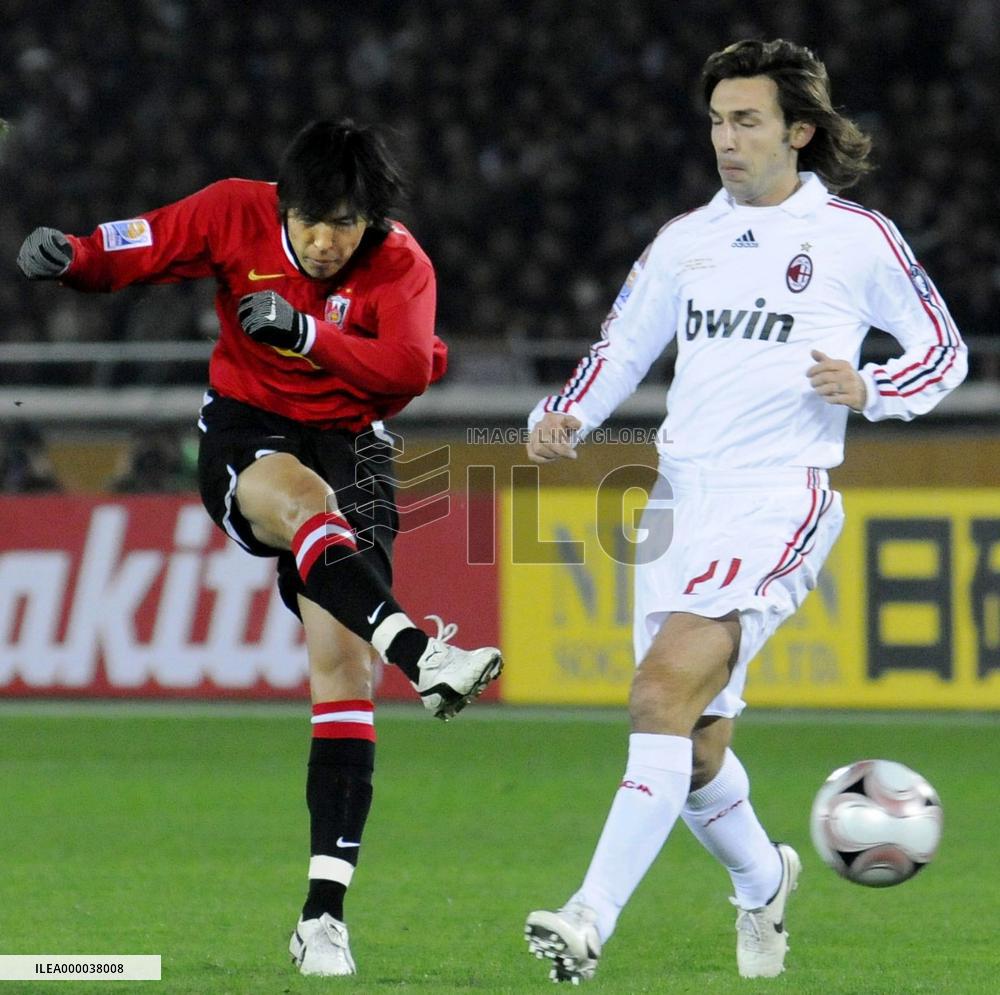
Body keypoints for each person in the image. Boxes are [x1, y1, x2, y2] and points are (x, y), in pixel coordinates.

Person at [523, 38, 966, 984]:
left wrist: (873, 388)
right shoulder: (686, 239)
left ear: (798, 131)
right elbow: (621, 345)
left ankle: (588, 915)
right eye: (718, 121)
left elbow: (943, 351)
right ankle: (765, 881)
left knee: (658, 691)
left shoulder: (856, 237)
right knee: (694, 746)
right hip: (677, 501)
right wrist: (564, 413)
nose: (726, 139)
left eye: (747, 120)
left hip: (777, 495)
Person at [16, 118, 503, 978]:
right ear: (284, 204)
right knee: (307, 505)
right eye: (311, 220)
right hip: (251, 431)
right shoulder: (233, 212)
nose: (324, 241)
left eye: (344, 224)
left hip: (353, 443)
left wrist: (307, 334)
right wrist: (76, 255)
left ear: (372, 219)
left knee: (344, 670)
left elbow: (406, 371)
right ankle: (423, 652)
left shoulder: (401, 263)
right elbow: (145, 243)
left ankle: (323, 918)